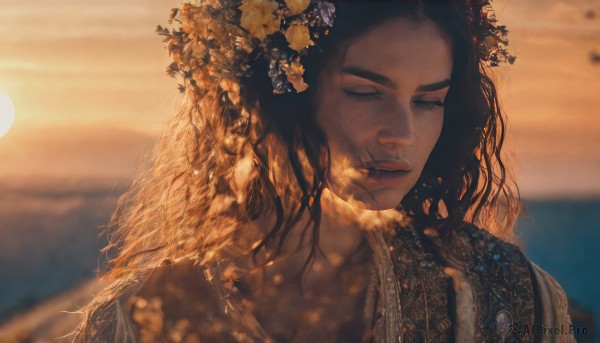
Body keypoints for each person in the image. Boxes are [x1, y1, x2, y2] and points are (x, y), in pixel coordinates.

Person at [72, 0, 576, 342]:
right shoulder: (143, 318)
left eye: (429, 101)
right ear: (280, 96)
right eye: (365, 92)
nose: (401, 133)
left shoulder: (502, 296)